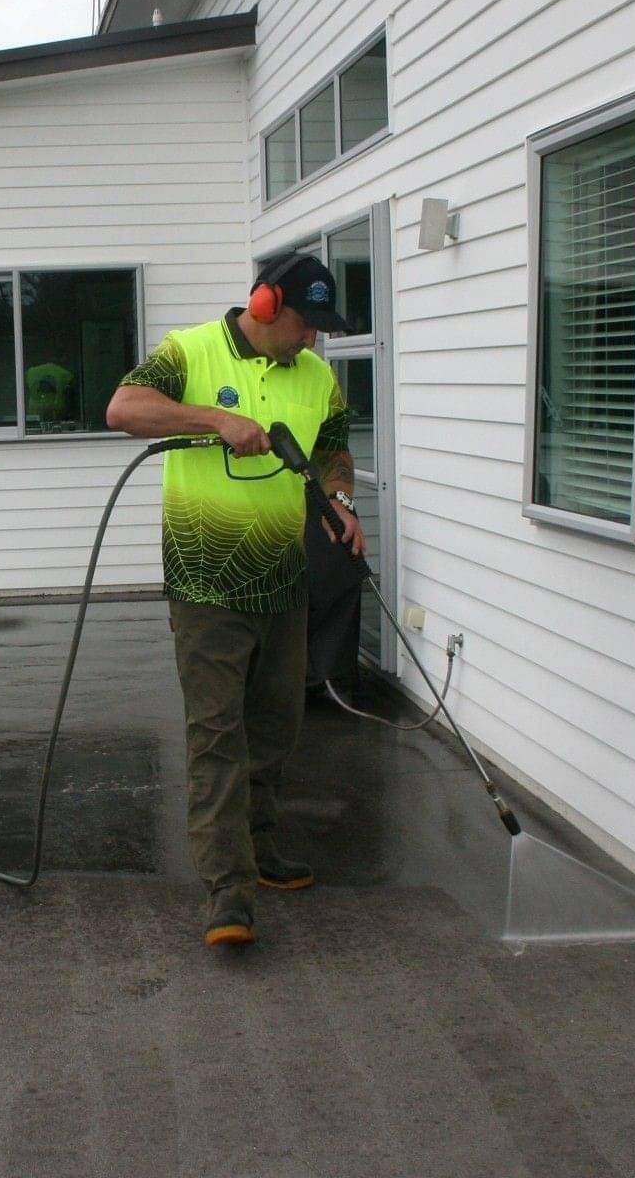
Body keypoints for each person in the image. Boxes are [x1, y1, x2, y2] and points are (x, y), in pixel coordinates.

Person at [105, 254, 363, 947]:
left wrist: (340, 501)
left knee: (275, 728)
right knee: (218, 732)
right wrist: (216, 419)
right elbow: (123, 408)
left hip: (284, 582)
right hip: (206, 585)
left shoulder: (316, 377)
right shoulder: (189, 351)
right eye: (305, 323)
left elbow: (335, 449)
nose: (312, 339)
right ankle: (228, 889)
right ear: (266, 303)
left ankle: (259, 846)